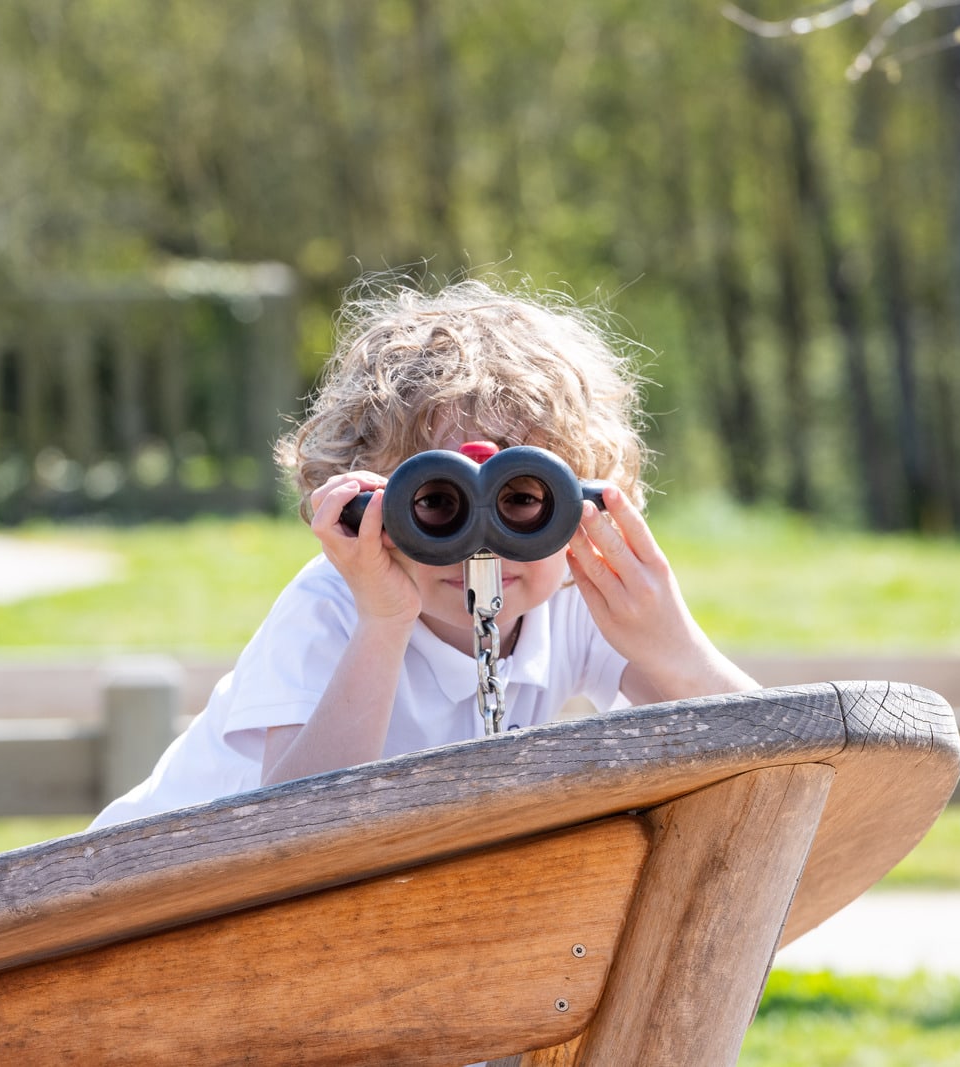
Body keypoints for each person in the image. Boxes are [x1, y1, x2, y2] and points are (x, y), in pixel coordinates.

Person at [91, 277, 757, 830]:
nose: (483, 543)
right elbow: (288, 828)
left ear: (581, 504)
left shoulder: (574, 599)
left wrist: (671, 640)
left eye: (523, 498)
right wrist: (383, 623)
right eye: (438, 503)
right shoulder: (332, 606)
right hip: (137, 899)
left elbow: (774, 757)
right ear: (367, 506)